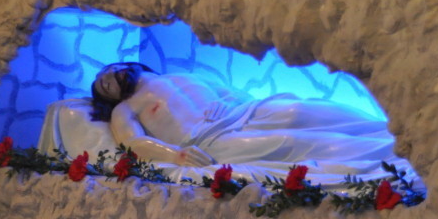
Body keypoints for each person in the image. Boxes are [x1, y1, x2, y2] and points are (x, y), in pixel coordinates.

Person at [90, 62, 396, 168]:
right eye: (104, 84)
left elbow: (228, 91)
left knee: (299, 110)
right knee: (290, 142)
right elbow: (133, 143)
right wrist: (175, 155)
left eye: (110, 70)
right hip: (210, 139)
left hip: (243, 112)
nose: (109, 76)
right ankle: (388, 155)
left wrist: (230, 101)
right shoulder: (125, 109)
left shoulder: (183, 74)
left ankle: (388, 131)